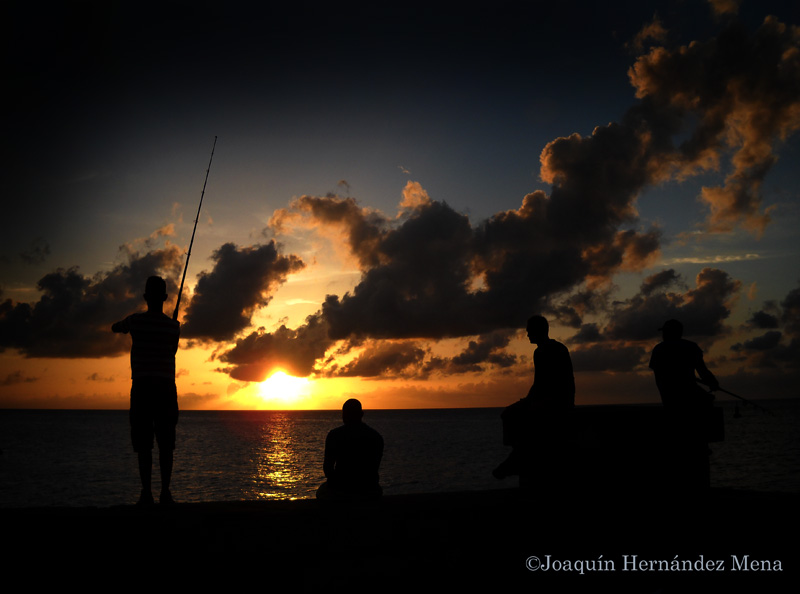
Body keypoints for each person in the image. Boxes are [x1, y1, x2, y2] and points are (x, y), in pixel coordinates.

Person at [112, 276, 180, 506]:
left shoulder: (135, 321)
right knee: (166, 444)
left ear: (145, 297)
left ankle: (146, 494)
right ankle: (165, 493)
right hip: (165, 388)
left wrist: (122, 326)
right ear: (164, 298)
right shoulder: (173, 326)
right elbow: (173, 351)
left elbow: (116, 327)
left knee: (144, 444)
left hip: (142, 387)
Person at [493, 315, 575, 486]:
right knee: (510, 414)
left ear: (538, 331)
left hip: (555, 402)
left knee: (520, 417)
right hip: (555, 400)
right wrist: (528, 400)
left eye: (530, 330)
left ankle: (515, 460)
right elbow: (540, 383)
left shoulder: (545, 351)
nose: (527, 333)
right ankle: (516, 456)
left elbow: (544, 383)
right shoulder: (551, 349)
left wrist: (529, 402)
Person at [649, 319, 718, 491]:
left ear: (668, 333)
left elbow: (659, 379)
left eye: (664, 332)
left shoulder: (658, 349)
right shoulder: (691, 347)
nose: (663, 335)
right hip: (689, 396)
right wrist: (712, 383)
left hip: (670, 400)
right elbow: (703, 372)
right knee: (708, 401)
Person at [317, 399, 384, 501]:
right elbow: (373, 469)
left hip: (341, 490)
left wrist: (340, 484)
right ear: (361, 414)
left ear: (343, 415)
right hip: (369, 490)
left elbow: (328, 469)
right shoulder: (376, 437)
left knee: (321, 492)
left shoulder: (334, 435)